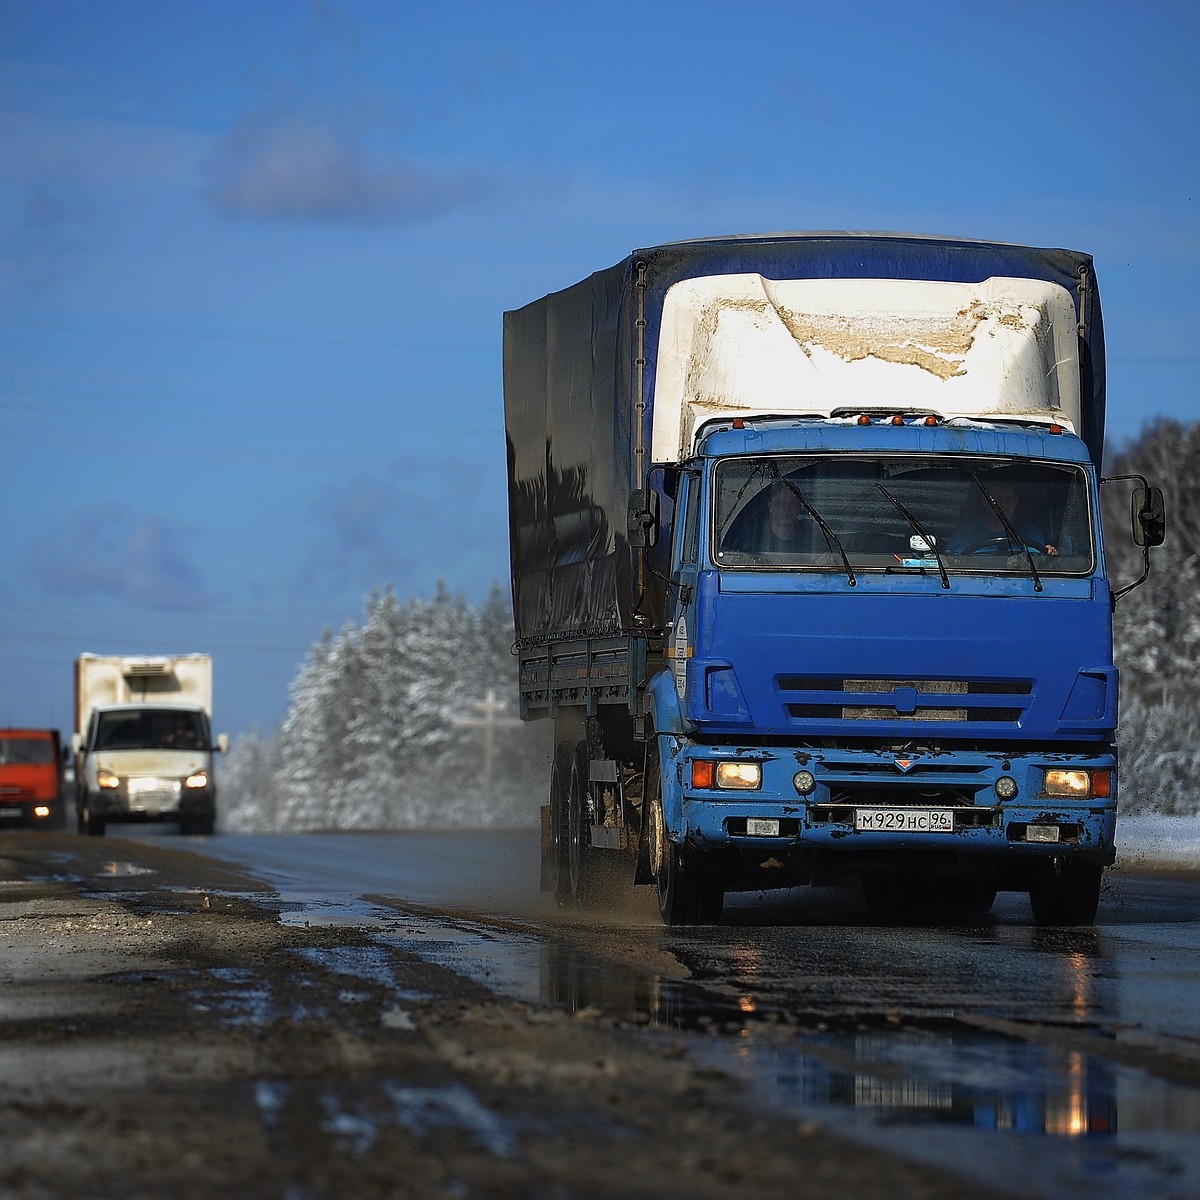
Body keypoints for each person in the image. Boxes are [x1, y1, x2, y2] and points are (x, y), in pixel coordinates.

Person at [948, 479, 1058, 555]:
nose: (1002, 504)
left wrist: (1051, 556)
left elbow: (1039, 568)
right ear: (985, 501)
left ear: (1016, 502)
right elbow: (949, 566)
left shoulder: (1031, 533)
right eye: (996, 499)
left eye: (1008, 499)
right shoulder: (964, 535)